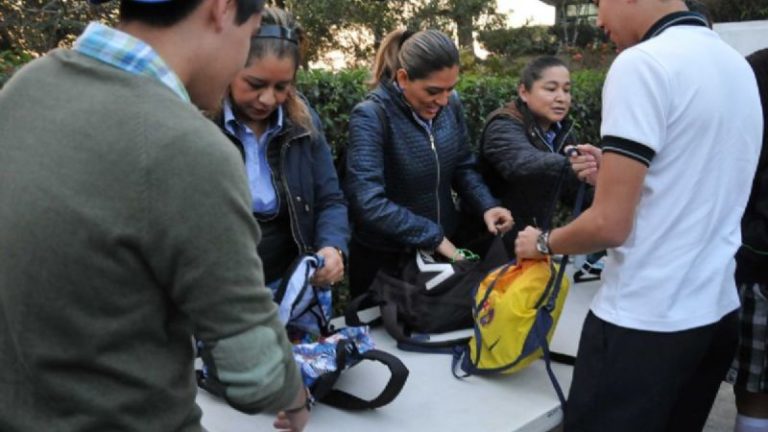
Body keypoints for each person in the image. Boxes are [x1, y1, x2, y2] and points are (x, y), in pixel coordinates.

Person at [0, 1, 310, 431]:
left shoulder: (26, 86)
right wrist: (295, 396)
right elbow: (257, 376)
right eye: (252, 32)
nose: (243, 57)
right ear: (222, 10)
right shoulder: (188, 147)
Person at [514, 0, 762, 430]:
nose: (599, 19)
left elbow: (608, 224)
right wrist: (615, 174)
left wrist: (540, 242)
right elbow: (700, 180)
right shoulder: (733, 64)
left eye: (598, 3)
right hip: (714, 312)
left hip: (644, 321)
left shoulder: (642, 64)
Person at [343, 28, 514, 299]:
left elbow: (462, 166)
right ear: (403, 78)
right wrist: (433, 237)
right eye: (433, 91)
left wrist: (487, 205)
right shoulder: (371, 116)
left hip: (441, 254)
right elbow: (368, 201)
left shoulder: (450, 105)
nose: (443, 100)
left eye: (450, 89)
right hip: (385, 262)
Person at [217, 7, 348, 290]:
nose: (266, 99)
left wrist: (332, 246)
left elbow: (330, 199)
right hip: (223, 290)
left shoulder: (303, 124)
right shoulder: (204, 124)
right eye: (255, 84)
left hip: (293, 284)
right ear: (230, 66)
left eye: (281, 87)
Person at [479, 55, 588, 257]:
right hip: (490, 245)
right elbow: (521, 163)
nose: (561, 97)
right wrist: (576, 163)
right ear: (524, 92)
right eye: (551, 89)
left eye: (566, 90)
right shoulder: (502, 125)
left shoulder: (562, 133)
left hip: (532, 244)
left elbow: (573, 192)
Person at [729, 47, 768, 432]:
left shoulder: (755, 68)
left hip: (757, 257)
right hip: (756, 255)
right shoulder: (755, 68)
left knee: (755, 388)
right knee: (755, 388)